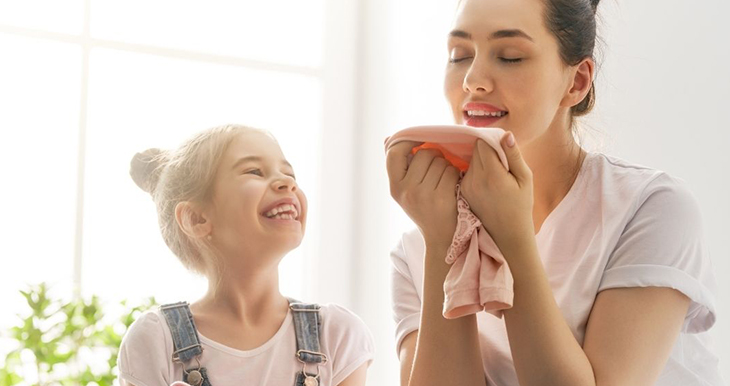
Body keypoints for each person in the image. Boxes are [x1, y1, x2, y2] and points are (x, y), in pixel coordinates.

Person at [385, 0, 723, 385]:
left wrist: (512, 235)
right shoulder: (417, 248)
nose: (473, 79)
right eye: (459, 55)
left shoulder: (651, 209)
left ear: (576, 82)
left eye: (510, 56)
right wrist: (446, 242)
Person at [118, 124, 375, 386]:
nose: (287, 182)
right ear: (197, 218)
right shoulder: (156, 339)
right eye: (254, 171)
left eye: (289, 174)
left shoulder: (336, 334)